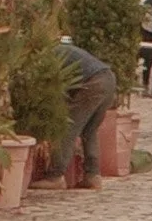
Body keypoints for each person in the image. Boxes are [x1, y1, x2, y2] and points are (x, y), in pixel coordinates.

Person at [33, 39, 118, 192]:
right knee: (89, 131)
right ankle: (93, 176)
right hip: (109, 79)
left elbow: (55, 89)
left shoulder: (48, 58)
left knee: (68, 128)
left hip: (94, 83)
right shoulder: (61, 50)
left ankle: (55, 176)